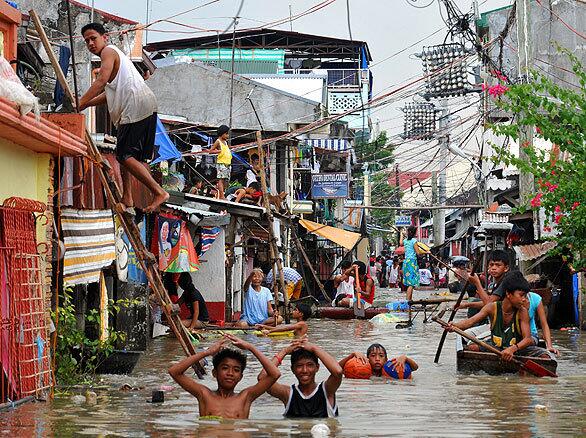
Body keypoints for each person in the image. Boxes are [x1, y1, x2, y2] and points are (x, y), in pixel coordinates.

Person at [78, 23, 168, 213]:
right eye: (87, 41)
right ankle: (127, 197)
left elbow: (101, 81)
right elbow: (108, 94)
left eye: (93, 38)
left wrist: (80, 102)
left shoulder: (108, 52)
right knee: (127, 154)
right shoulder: (116, 57)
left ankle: (158, 191)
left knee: (123, 155)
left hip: (134, 105)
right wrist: (86, 103)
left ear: (105, 38)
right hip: (143, 103)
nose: (90, 43)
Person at [168, 334, 281, 419]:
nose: (230, 373)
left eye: (236, 370)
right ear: (214, 373)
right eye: (225, 368)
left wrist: (251, 347)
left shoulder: (245, 397)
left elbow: (274, 374)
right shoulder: (204, 395)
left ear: (241, 377)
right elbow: (174, 371)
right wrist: (207, 352)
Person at [446, 272, 553, 360]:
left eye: (525, 296)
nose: (524, 299)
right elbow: (470, 322)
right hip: (496, 347)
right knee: (470, 349)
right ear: (508, 294)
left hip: (518, 350)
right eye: (521, 295)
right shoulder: (492, 308)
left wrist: (512, 349)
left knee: (545, 357)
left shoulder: (522, 311)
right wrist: (454, 326)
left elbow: (528, 339)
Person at [258, 338, 342, 418]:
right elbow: (262, 378)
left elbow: (338, 372)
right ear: (292, 369)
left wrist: (314, 348)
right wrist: (284, 351)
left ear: (317, 367)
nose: (304, 370)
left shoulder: (327, 390)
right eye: (299, 366)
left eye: (309, 365)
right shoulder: (287, 394)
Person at [456, 250, 511, 314]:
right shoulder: (497, 283)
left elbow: (488, 304)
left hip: (505, 318)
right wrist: (465, 305)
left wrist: (477, 283)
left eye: (498, 265)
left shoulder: (505, 282)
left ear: (506, 268)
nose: (494, 268)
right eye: (491, 265)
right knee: (475, 301)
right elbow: (489, 302)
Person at [339, 343, 418, 378]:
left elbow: (415, 368)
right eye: (373, 356)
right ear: (367, 359)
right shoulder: (360, 370)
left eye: (381, 356)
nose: (377, 359)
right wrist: (352, 355)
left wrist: (405, 358)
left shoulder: (391, 368)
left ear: (386, 360)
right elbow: (337, 369)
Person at [400, 226, 424, 301]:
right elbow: (418, 253)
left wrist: (401, 235)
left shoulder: (405, 241)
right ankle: (407, 302)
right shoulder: (414, 241)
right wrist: (426, 252)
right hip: (412, 263)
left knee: (410, 283)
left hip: (406, 262)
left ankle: (410, 301)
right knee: (411, 284)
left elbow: (400, 243)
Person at [209, 125, 232, 199]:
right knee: (221, 180)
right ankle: (222, 196)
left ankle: (222, 194)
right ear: (222, 133)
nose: (227, 136)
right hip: (221, 163)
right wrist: (218, 151)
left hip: (227, 163)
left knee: (226, 180)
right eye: (226, 134)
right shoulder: (218, 141)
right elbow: (211, 151)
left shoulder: (225, 142)